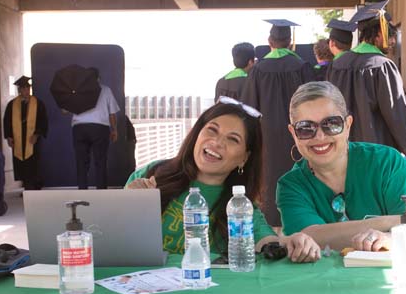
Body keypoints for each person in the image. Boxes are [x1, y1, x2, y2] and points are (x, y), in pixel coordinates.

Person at [126, 98, 320, 262]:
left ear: (244, 157)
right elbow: (109, 238)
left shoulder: (241, 206)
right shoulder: (151, 174)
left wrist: (295, 242)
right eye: (212, 130)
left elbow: (268, 242)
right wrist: (128, 201)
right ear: (197, 134)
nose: (217, 143)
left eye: (233, 139)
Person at [277, 81, 406, 252]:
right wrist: (390, 222)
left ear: (347, 125)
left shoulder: (386, 163)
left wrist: (390, 238)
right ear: (293, 133)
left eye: (331, 124)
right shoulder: (291, 185)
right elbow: (307, 237)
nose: (320, 136)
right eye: (305, 128)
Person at [240, 19, 314, 227]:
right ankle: (300, 218)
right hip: (299, 135)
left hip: (267, 137)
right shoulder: (302, 66)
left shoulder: (258, 70)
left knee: (269, 177)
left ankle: (272, 220)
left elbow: (248, 108)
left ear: (269, 41)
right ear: (290, 42)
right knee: (301, 173)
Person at [326, 0, 406, 154]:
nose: (392, 41)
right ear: (379, 34)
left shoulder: (338, 65)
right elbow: (395, 112)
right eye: (389, 35)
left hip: (341, 150)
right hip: (376, 150)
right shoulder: (383, 66)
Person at [69, 79, 120, 189]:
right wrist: (114, 130)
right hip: (99, 128)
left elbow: (65, 110)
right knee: (100, 161)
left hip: (79, 128)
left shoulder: (77, 90)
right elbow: (112, 114)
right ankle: (101, 191)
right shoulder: (105, 90)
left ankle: (82, 190)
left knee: (81, 162)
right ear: (98, 78)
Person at [2, 75, 48, 190]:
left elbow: (43, 120)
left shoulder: (38, 103)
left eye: (27, 88)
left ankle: (33, 185)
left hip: (32, 139)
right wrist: (9, 137)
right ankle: (26, 185)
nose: (25, 91)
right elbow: (7, 121)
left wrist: (37, 134)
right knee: (21, 163)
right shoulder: (12, 104)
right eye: (23, 89)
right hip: (18, 139)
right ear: (19, 90)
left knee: (33, 162)